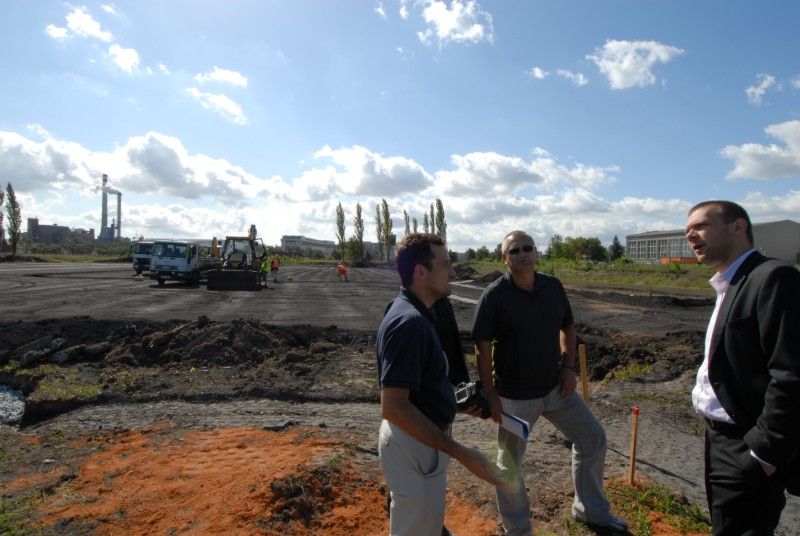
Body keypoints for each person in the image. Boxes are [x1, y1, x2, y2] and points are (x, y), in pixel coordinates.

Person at [472, 230, 627, 535]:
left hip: (556, 389)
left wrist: (569, 368)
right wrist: (490, 393)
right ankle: (518, 529)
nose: (522, 254)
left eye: (527, 248)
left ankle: (590, 511)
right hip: (515, 398)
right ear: (504, 258)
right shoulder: (494, 295)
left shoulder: (553, 287)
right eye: (514, 250)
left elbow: (567, 328)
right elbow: (481, 346)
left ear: (536, 253)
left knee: (592, 438)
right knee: (510, 465)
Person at [685, 200, 799, 535]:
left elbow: (791, 374)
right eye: (686, 230)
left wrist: (763, 452)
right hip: (719, 439)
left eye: (700, 226)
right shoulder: (729, 283)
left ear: (738, 227)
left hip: (746, 444)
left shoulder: (773, 278)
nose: (691, 236)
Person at [377, 233, 503, 535]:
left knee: (425, 525)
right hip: (415, 446)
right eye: (445, 264)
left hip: (420, 441)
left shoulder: (419, 313)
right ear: (421, 273)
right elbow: (393, 406)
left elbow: (419, 389)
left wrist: (452, 402)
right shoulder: (410, 324)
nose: (452, 271)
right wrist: (462, 453)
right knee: (417, 527)